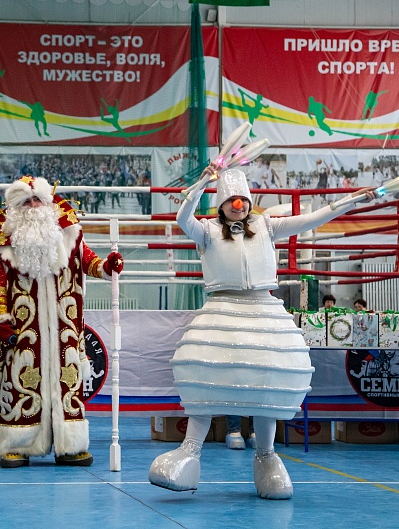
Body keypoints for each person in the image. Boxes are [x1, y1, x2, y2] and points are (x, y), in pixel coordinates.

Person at [148, 164, 376, 499]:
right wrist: (200, 184)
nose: (238, 205)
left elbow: (311, 219)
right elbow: (183, 218)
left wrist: (349, 201)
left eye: (242, 199)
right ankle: (189, 451)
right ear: (221, 203)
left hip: (263, 309)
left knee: (269, 381)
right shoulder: (207, 231)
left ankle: (267, 456)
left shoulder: (267, 225)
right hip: (221, 310)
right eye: (231, 200)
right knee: (203, 376)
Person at [0, 176, 124, 468]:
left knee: (66, 379)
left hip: (63, 326)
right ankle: (16, 444)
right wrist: (1, 319)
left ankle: (69, 444)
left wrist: (107, 266)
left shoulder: (69, 232)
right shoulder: (4, 238)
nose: (33, 206)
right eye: (26, 201)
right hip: (23, 326)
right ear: (16, 207)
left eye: (38, 200)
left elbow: (89, 262)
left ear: (48, 202)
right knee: (21, 379)